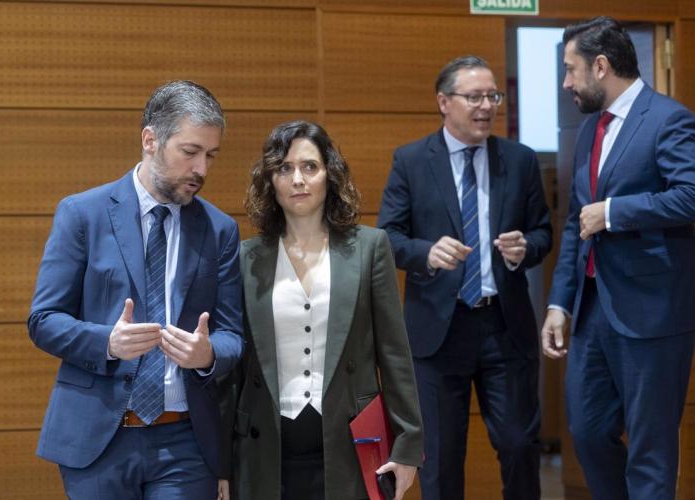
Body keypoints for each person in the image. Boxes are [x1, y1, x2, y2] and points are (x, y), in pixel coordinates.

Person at [28, 80, 244, 499]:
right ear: (150, 140)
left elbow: (232, 335)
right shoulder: (82, 214)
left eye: (210, 155)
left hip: (184, 441)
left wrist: (207, 354)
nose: (201, 169)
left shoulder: (220, 230)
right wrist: (107, 342)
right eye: (190, 151)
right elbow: (43, 321)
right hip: (98, 438)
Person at [218, 120, 423, 500]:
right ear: (270, 181)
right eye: (285, 168)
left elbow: (395, 355)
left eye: (309, 166)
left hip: (351, 444)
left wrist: (408, 446)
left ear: (330, 174)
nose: (298, 179)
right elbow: (233, 373)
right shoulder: (246, 258)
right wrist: (221, 465)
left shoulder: (370, 248)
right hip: (264, 447)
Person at [378, 56, 552, 500]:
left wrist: (525, 249)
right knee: (439, 459)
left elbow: (543, 233)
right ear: (444, 102)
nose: (486, 106)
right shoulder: (412, 161)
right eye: (474, 97)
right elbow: (388, 238)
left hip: (504, 327)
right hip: (438, 330)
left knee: (519, 446)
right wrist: (426, 253)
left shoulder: (520, 160)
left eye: (493, 96)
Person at [541, 16, 695, 499]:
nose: (566, 83)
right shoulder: (591, 128)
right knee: (587, 432)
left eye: (571, 69)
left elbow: (690, 194)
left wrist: (614, 212)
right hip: (592, 313)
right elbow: (577, 221)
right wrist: (559, 303)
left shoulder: (669, 119)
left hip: (652, 314)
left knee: (651, 451)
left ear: (601, 66)